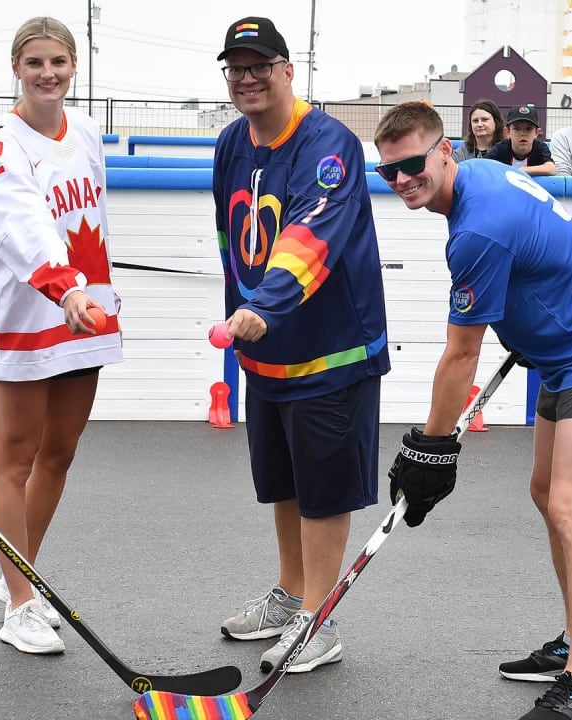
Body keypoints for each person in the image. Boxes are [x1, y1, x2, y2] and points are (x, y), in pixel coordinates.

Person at [373, 101, 572, 720]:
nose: (401, 181)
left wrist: (431, 447)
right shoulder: (478, 180)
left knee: (570, 505)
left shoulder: (476, 226)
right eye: (388, 171)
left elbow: (460, 357)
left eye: (414, 164)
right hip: (562, 354)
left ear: (445, 151)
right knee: (543, 491)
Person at [211, 16, 390, 674]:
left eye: (261, 64)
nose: (248, 77)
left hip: (331, 353)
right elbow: (234, 245)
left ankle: (320, 620)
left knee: (324, 490)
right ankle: (292, 597)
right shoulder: (231, 144)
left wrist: (265, 304)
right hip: (266, 353)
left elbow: (311, 233)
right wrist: (241, 315)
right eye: (236, 67)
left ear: (290, 70)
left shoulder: (329, 142)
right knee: (282, 482)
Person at [0, 16, 123, 656]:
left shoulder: (86, 130)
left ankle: (18, 581)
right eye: (34, 62)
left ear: (73, 67)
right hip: (28, 311)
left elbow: (90, 218)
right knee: (15, 459)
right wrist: (64, 287)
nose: (47, 74)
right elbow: (24, 225)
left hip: (85, 309)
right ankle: (21, 602)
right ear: (16, 68)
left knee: (59, 453)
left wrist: (92, 289)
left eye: (58, 62)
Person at [485, 105, 555, 175]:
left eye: (528, 129)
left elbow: (551, 169)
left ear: (536, 133)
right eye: (517, 128)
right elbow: (483, 166)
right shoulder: (500, 148)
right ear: (507, 132)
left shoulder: (540, 147)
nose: (523, 133)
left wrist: (522, 170)